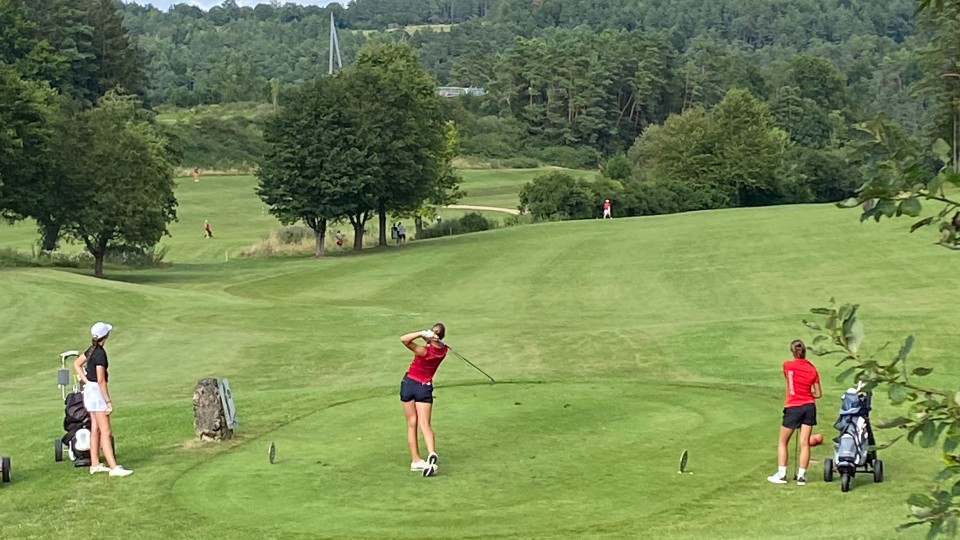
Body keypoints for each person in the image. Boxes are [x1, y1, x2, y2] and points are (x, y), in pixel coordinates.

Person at [73, 322, 133, 477]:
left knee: (96, 428)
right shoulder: (100, 354)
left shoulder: (91, 350)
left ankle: (95, 464)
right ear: (105, 336)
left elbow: (77, 364)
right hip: (96, 393)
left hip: (90, 392)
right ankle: (113, 467)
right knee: (105, 431)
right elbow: (101, 380)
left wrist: (86, 380)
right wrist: (107, 400)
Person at [767, 339, 821, 486]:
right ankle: (801, 477)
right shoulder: (812, 369)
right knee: (805, 443)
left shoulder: (787, 365)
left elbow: (790, 381)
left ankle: (782, 474)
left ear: (793, 352)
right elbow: (818, 393)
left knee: (783, 442)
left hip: (793, 406)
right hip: (809, 406)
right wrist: (807, 393)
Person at [399, 323, 448, 473]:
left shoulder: (424, 351)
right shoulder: (444, 351)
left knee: (412, 423)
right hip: (424, 388)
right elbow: (439, 346)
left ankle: (416, 460)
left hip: (408, 384)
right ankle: (431, 453)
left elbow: (404, 339)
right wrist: (433, 338)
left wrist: (421, 333)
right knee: (425, 424)